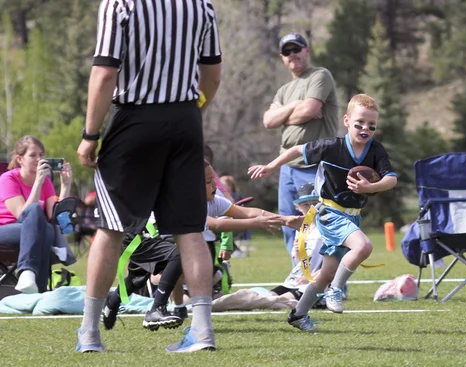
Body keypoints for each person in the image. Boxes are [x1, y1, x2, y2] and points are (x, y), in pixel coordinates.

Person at [76, 0, 222, 353]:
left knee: (110, 227)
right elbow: (212, 74)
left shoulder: (120, 4)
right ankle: (202, 331)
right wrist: (190, 112)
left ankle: (89, 334)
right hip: (186, 120)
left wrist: (90, 134)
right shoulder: (201, 6)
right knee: (189, 229)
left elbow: (105, 72)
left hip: (135, 121)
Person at [249, 94, 397, 331]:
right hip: (330, 213)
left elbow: (391, 179)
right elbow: (297, 149)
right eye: (359, 123)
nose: (365, 129)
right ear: (347, 121)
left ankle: (298, 315)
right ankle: (336, 292)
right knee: (364, 247)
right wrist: (271, 166)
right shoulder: (332, 146)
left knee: (325, 273)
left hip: (352, 216)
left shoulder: (375, 150)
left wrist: (371, 187)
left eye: (371, 126)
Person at [101, 161, 296, 331]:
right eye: (207, 181)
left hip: (156, 240)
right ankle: (156, 309)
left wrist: (285, 219)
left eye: (213, 180)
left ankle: (113, 300)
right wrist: (254, 224)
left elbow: (247, 212)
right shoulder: (185, 203)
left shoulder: (213, 201)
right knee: (179, 254)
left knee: (136, 279)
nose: (214, 185)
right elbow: (217, 224)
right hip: (140, 239)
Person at [263, 32, 339, 259]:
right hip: (287, 165)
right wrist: (295, 105)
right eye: (287, 52)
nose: (292, 54)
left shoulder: (320, 76)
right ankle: (299, 277)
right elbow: (268, 121)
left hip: (314, 164)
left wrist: (284, 114)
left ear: (307, 50)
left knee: (321, 222)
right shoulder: (284, 91)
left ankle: (329, 284)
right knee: (291, 223)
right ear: (282, 57)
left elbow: (310, 110)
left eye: (296, 49)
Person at [0, 136, 75, 294]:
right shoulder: (8, 179)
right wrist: (38, 183)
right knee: (35, 212)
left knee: (47, 228)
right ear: (20, 159)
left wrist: (65, 186)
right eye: (33, 155)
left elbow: (55, 216)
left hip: (34, 232)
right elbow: (23, 215)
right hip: (5, 230)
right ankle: (26, 272)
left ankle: (36, 288)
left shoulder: (45, 181)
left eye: (41, 155)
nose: (39, 159)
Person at [270, 183, 324, 301]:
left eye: (315, 203)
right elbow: (299, 262)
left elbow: (332, 265)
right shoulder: (301, 228)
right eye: (305, 204)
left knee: (281, 300)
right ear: (298, 207)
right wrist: (298, 251)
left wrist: (310, 278)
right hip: (294, 281)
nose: (311, 208)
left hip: (317, 283)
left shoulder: (327, 229)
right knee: (269, 296)